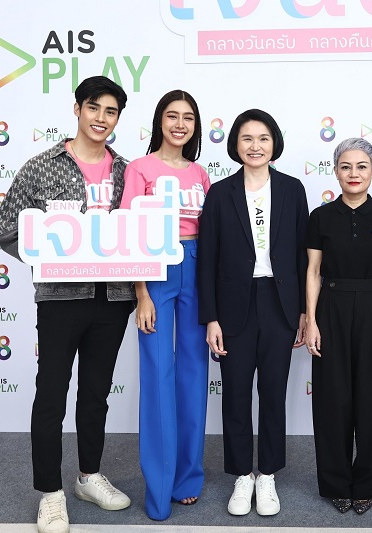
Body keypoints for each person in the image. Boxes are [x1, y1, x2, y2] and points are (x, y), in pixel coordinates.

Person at [0, 76, 134, 533]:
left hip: (114, 298)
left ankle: (89, 476)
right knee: (51, 393)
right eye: (93, 107)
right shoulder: (41, 167)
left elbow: (141, 233)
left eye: (110, 111)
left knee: (96, 393)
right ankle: (51, 493)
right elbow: (8, 228)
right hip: (60, 299)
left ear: (118, 118)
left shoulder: (127, 172)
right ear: (77, 109)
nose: (101, 118)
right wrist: (47, 259)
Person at [197, 109, 309, 517]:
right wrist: (211, 317)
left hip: (280, 304)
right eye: (247, 138)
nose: (255, 146)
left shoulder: (293, 189)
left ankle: (268, 474)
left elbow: (302, 255)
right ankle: (242, 475)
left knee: (274, 393)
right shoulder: (220, 193)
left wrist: (303, 312)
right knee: (236, 393)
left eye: (263, 138)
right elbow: (207, 260)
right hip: (233, 308)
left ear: (274, 143)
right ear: (235, 145)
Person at [119, 90, 210, 520]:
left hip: (196, 265)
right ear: (159, 121)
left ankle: (187, 478)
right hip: (155, 268)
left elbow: (211, 230)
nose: (179, 124)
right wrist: (141, 293)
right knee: (158, 374)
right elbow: (130, 231)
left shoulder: (200, 173)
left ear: (195, 126)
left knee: (194, 372)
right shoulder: (139, 168)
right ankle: (158, 487)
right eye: (172, 116)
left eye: (188, 117)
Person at [305, 137, 372, 515]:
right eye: (345, 166)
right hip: (330, 307)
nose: (354, 173)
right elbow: (313, 271)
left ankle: (368, 483)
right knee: (332, 399)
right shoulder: (320, 217)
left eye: (362, 166)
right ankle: (335, 482)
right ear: (335, 171)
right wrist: (311, 321)